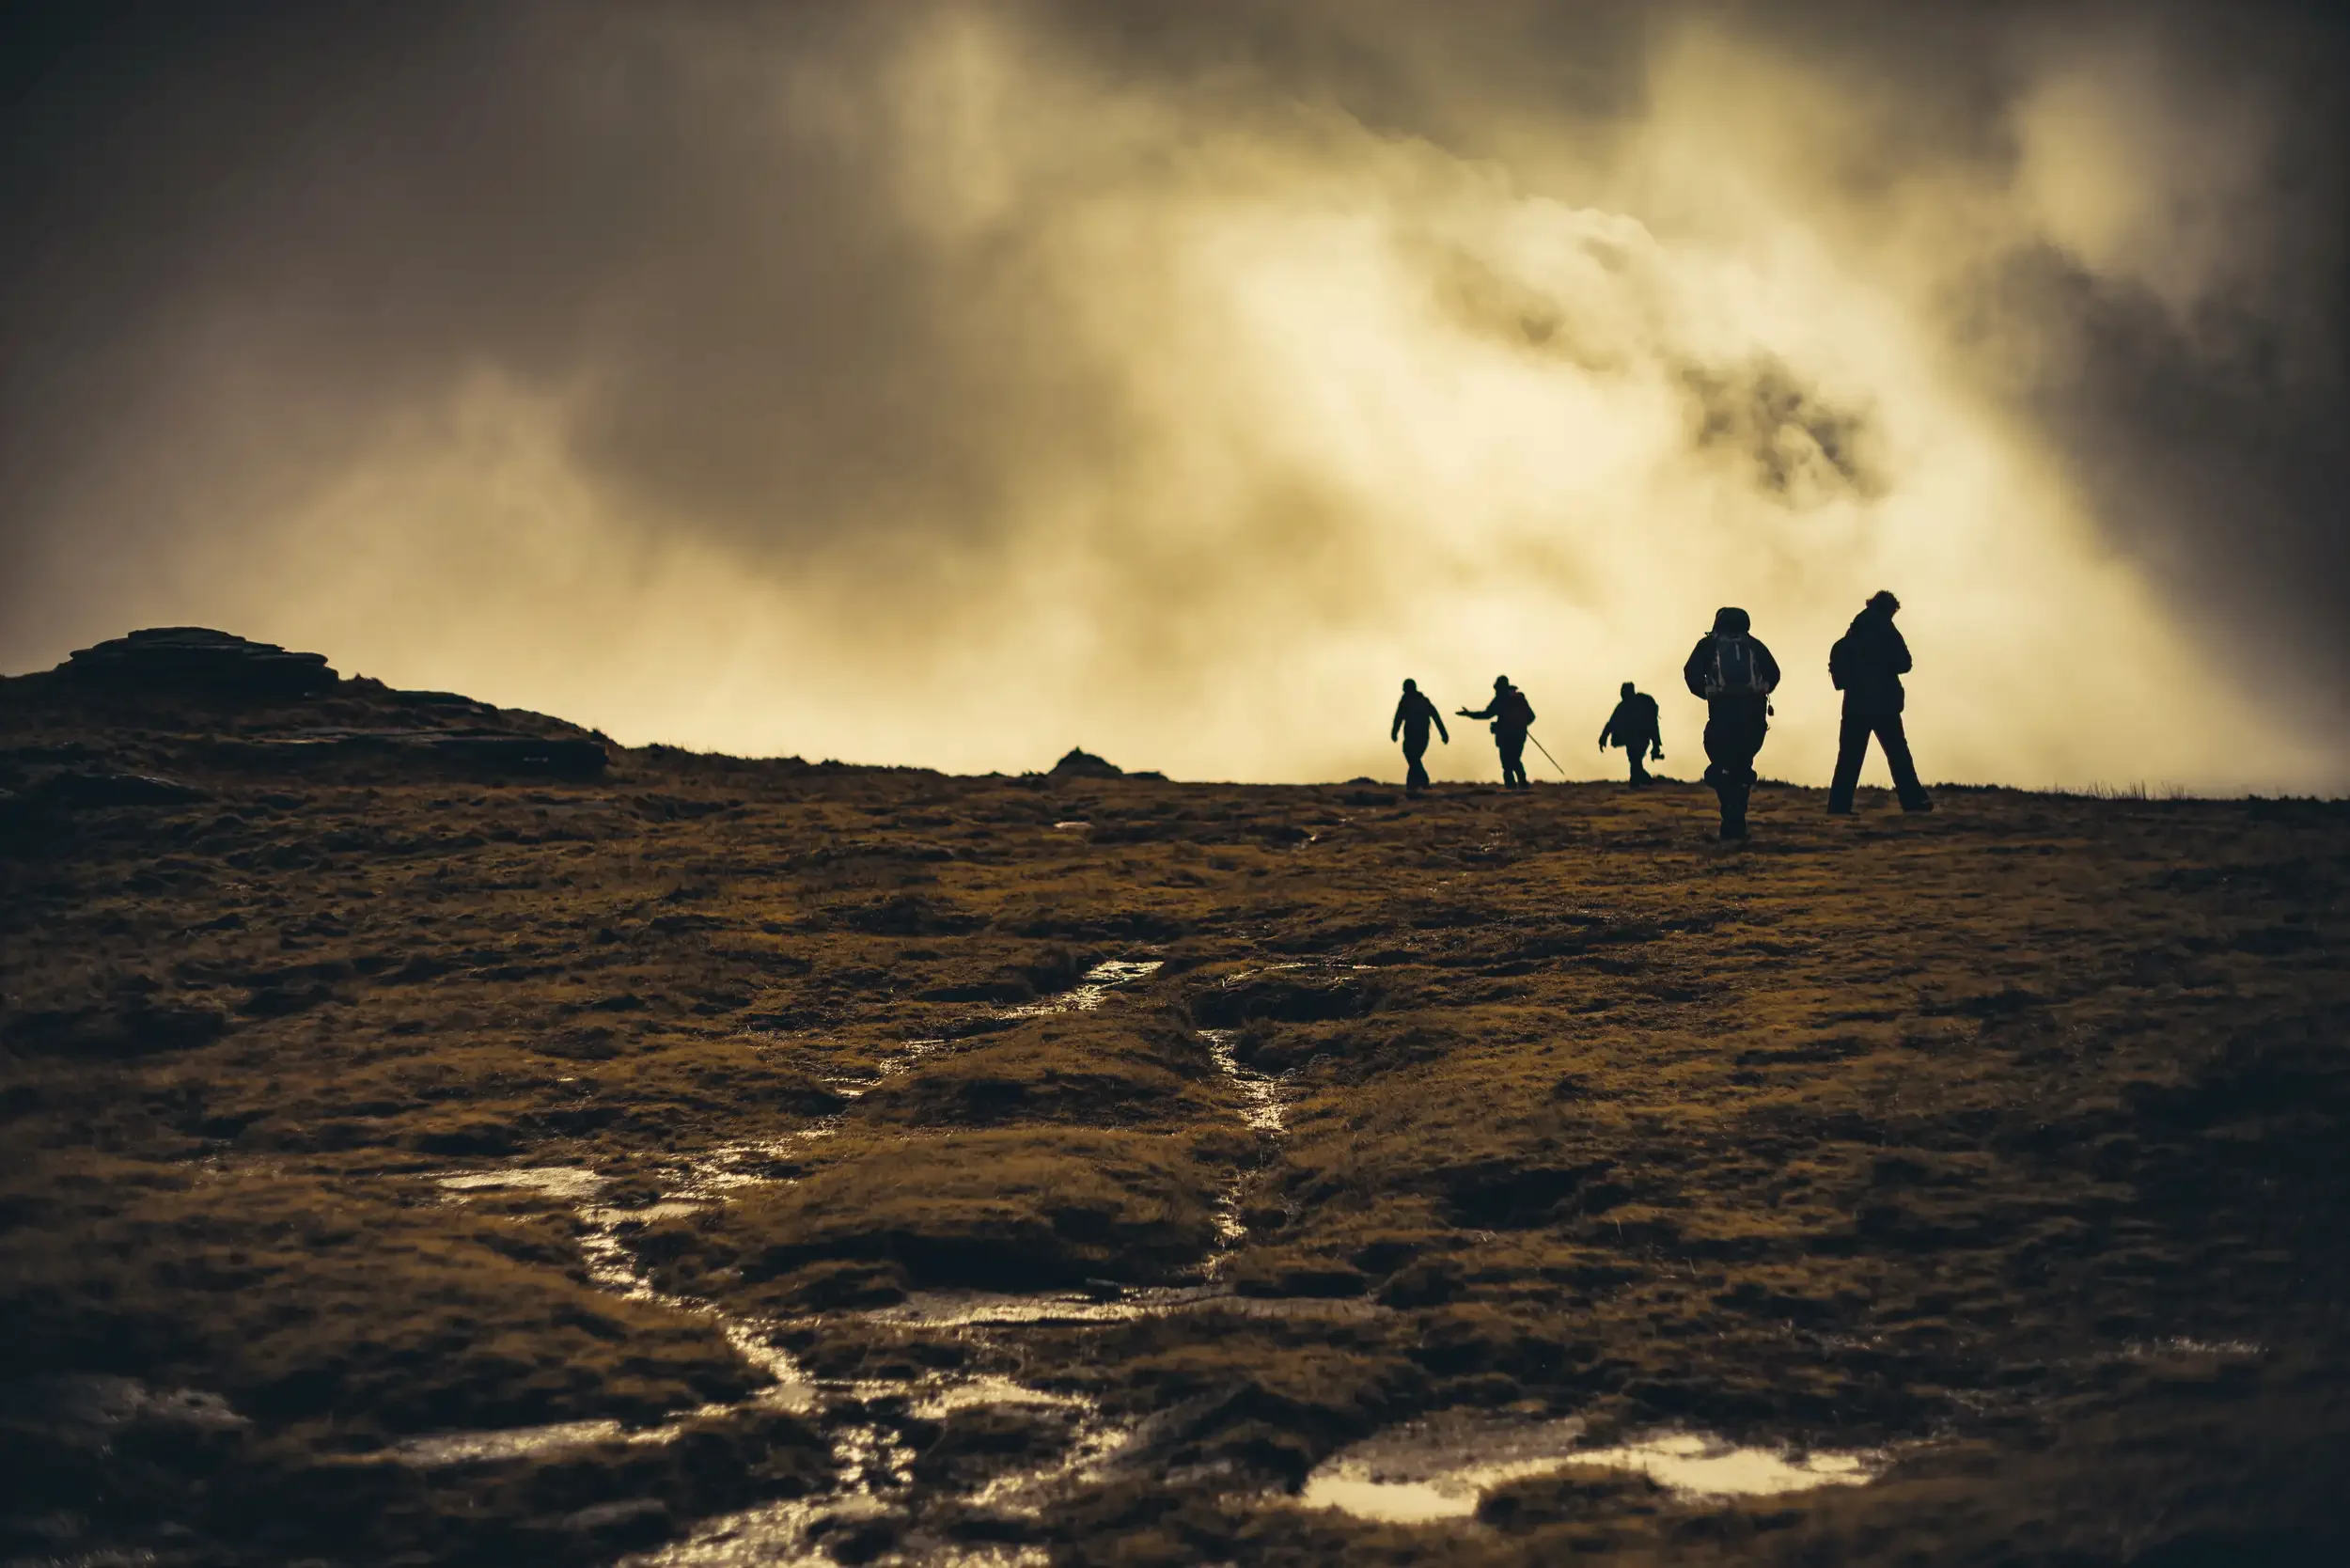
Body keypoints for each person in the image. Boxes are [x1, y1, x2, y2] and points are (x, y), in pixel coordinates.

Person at [1827, 590, 1933, 815]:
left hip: (1855, 703)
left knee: (1849, 756)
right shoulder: (1887, 630)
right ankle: (1913, 801)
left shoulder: (1855, 629)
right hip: (1884, 703)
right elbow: (1905, 663)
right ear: (1890, 609)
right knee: (1897, 753)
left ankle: (1838, 806)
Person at [1682, 607, 1780, 839]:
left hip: (1722, 714)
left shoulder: (1708, 644)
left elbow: (1690, 672)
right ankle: (1737, 815)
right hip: (1754, 717)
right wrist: (1761, 690)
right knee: (1742, 766)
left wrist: (1707, 692)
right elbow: (1774, 673)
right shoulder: (1755, 644)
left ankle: (1730, 813)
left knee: (1720, 766)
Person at [1458, 676, 1536, 789]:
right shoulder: (1519, 698)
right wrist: (1522, 726)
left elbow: (1486, 715)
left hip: (1505, 736)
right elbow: (1532, 717)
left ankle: (1513, 786)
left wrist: (1468, 714)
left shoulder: (1500, 700)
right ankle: (1521, 783)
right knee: (1514, 759)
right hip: (1519, 735)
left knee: (1507, 762)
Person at [1597, 681, 1664, 787]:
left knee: (1635, 760)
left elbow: (1653, 726)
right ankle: (1644, 781)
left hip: (1641, 738)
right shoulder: (1623, 706)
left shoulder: (1641, 705)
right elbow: (1612, 723)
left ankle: (1638, 782)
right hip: (1631, 740)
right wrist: (1603, 738)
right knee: (1635, 761)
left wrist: (1656, 745)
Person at [1390, 679, 1449, 794]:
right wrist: (1394, 732)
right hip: (1417, 737)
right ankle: (1413, 786)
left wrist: (1444, 734)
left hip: (1418, 737)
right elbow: (1399, 717)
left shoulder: (1417, 701)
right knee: (1414, 760)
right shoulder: (1417, 701)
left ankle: (1422, 784)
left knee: (1413, 759)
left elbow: (1435, 716)